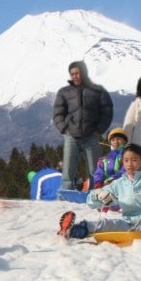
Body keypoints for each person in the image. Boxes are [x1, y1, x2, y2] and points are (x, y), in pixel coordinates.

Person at [58, 144, 141, 246]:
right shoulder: (119, 183)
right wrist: (98, 195)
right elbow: (91, 202)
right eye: (126, 160)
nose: (130, 164)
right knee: (104, 224)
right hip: (128, 222)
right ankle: (73, 231)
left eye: (134, 160)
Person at [53, 61, 114, 190]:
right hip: (71, 137)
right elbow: (58, 113)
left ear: (83, 73)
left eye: (78, 73)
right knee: (68, 171)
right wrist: (64, 129)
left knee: (95, 171)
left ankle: (96, 195)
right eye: (72, 74)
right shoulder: (64, 92)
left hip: (91, 136)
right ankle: (66, 197)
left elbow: (107, 111)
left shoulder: (97, 91)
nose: (75, 76)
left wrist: (99, 129)